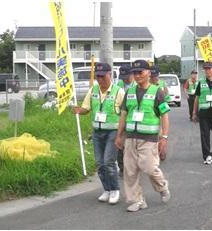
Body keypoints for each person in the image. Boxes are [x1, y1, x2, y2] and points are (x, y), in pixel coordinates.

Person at [115, 59, 171, 212]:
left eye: (140, 72)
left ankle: (162, 186)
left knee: (150, 168)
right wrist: (119, 135)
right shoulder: (130, 92)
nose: (137, 75)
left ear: (148, 73)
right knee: (130, 170)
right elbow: (124, 115)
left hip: (149, 139)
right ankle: (137, 200)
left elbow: (164, 115)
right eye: (135, 73)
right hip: (131, 137)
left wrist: (164, 137)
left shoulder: (157, 92)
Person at [72, 62, 125, 204]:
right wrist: (78, 110)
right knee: (99, 163)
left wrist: (121, 135)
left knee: (109, 161)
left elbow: (125, 114)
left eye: (103, 76)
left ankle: (115, 190)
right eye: (98, 76)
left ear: (110, 75)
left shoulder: (119, 92)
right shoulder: (93, 90)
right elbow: (86, 108)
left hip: (112, 132)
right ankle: (106, 189)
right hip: (97, 132)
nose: (100, 79)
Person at [116, 64, 136, 177]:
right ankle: (122, 167)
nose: (124, 79)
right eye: (122, 76)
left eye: (126, 76)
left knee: (133, 145)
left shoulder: (137, 85)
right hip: (121, 118)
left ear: (132, 74)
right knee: (120, 144)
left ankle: (133, 166)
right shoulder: (118, 84)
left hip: (134, 120)